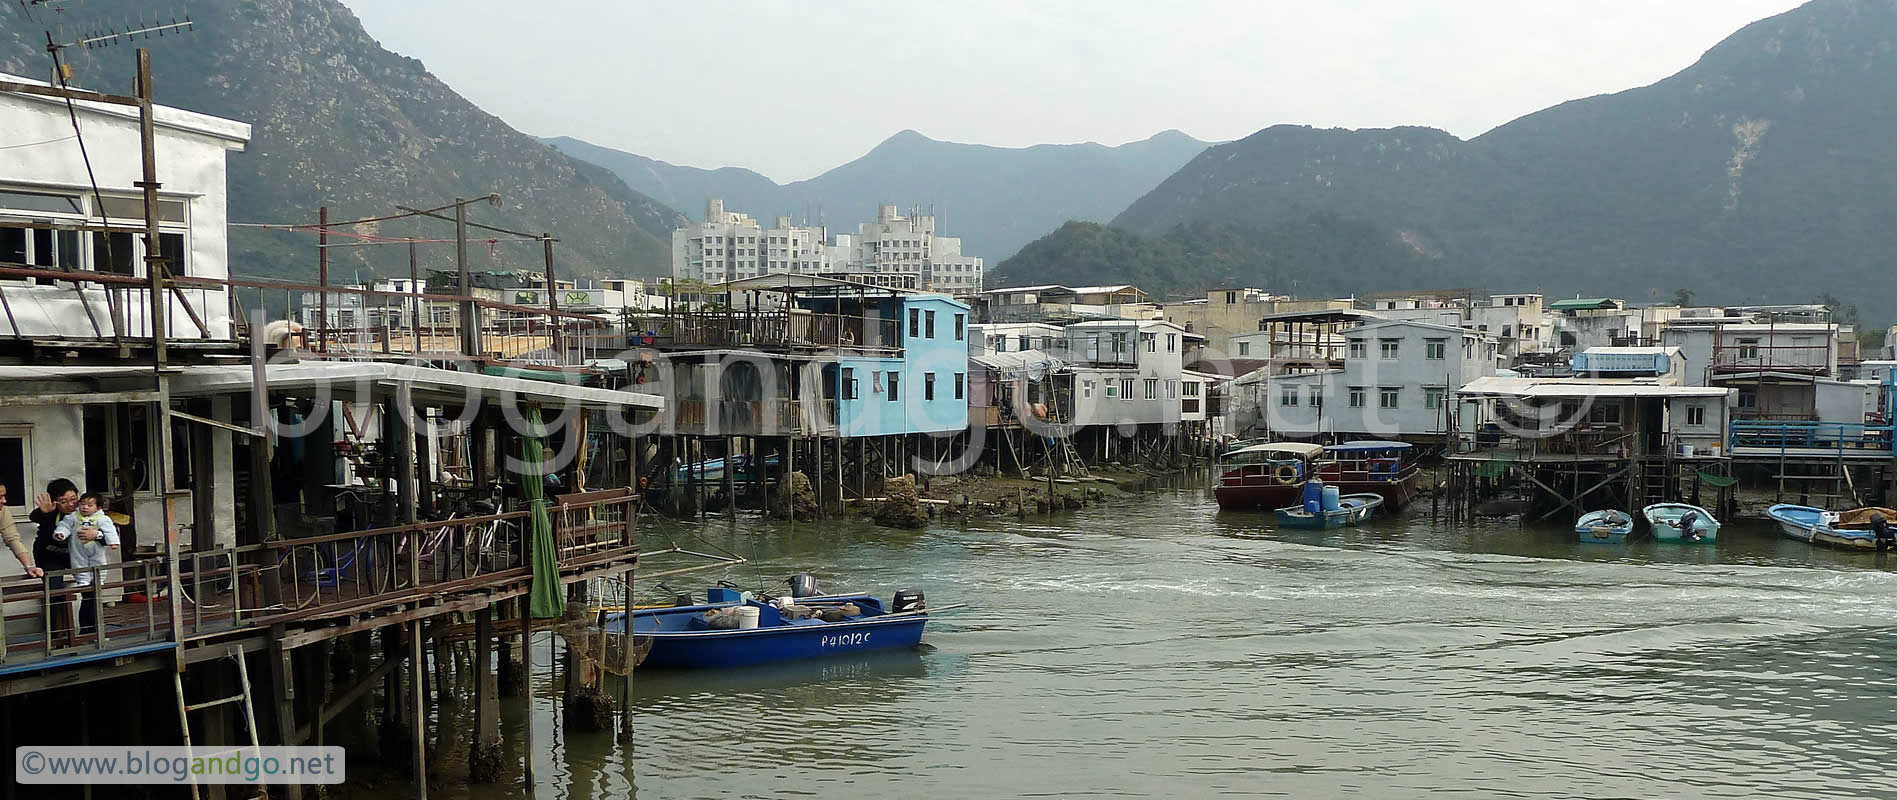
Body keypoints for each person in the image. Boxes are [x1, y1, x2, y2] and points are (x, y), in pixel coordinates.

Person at [30, 479, 80, 639]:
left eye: (73, 499)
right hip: (49, 555)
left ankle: (90, 630)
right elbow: (34, 516)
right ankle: (56, 635)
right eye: (64, 501)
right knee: (54, 590)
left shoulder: (84, 510)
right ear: (55, 501)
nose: (70, 504)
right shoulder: (51, 513)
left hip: (75, 555)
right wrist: (45, 513)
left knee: (91, 585)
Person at [0, 484, 44, 578]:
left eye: (4, 496)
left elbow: (12, 538)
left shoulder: (2, 511)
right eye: (0, 497)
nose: (4, 501)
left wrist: (29, 566)